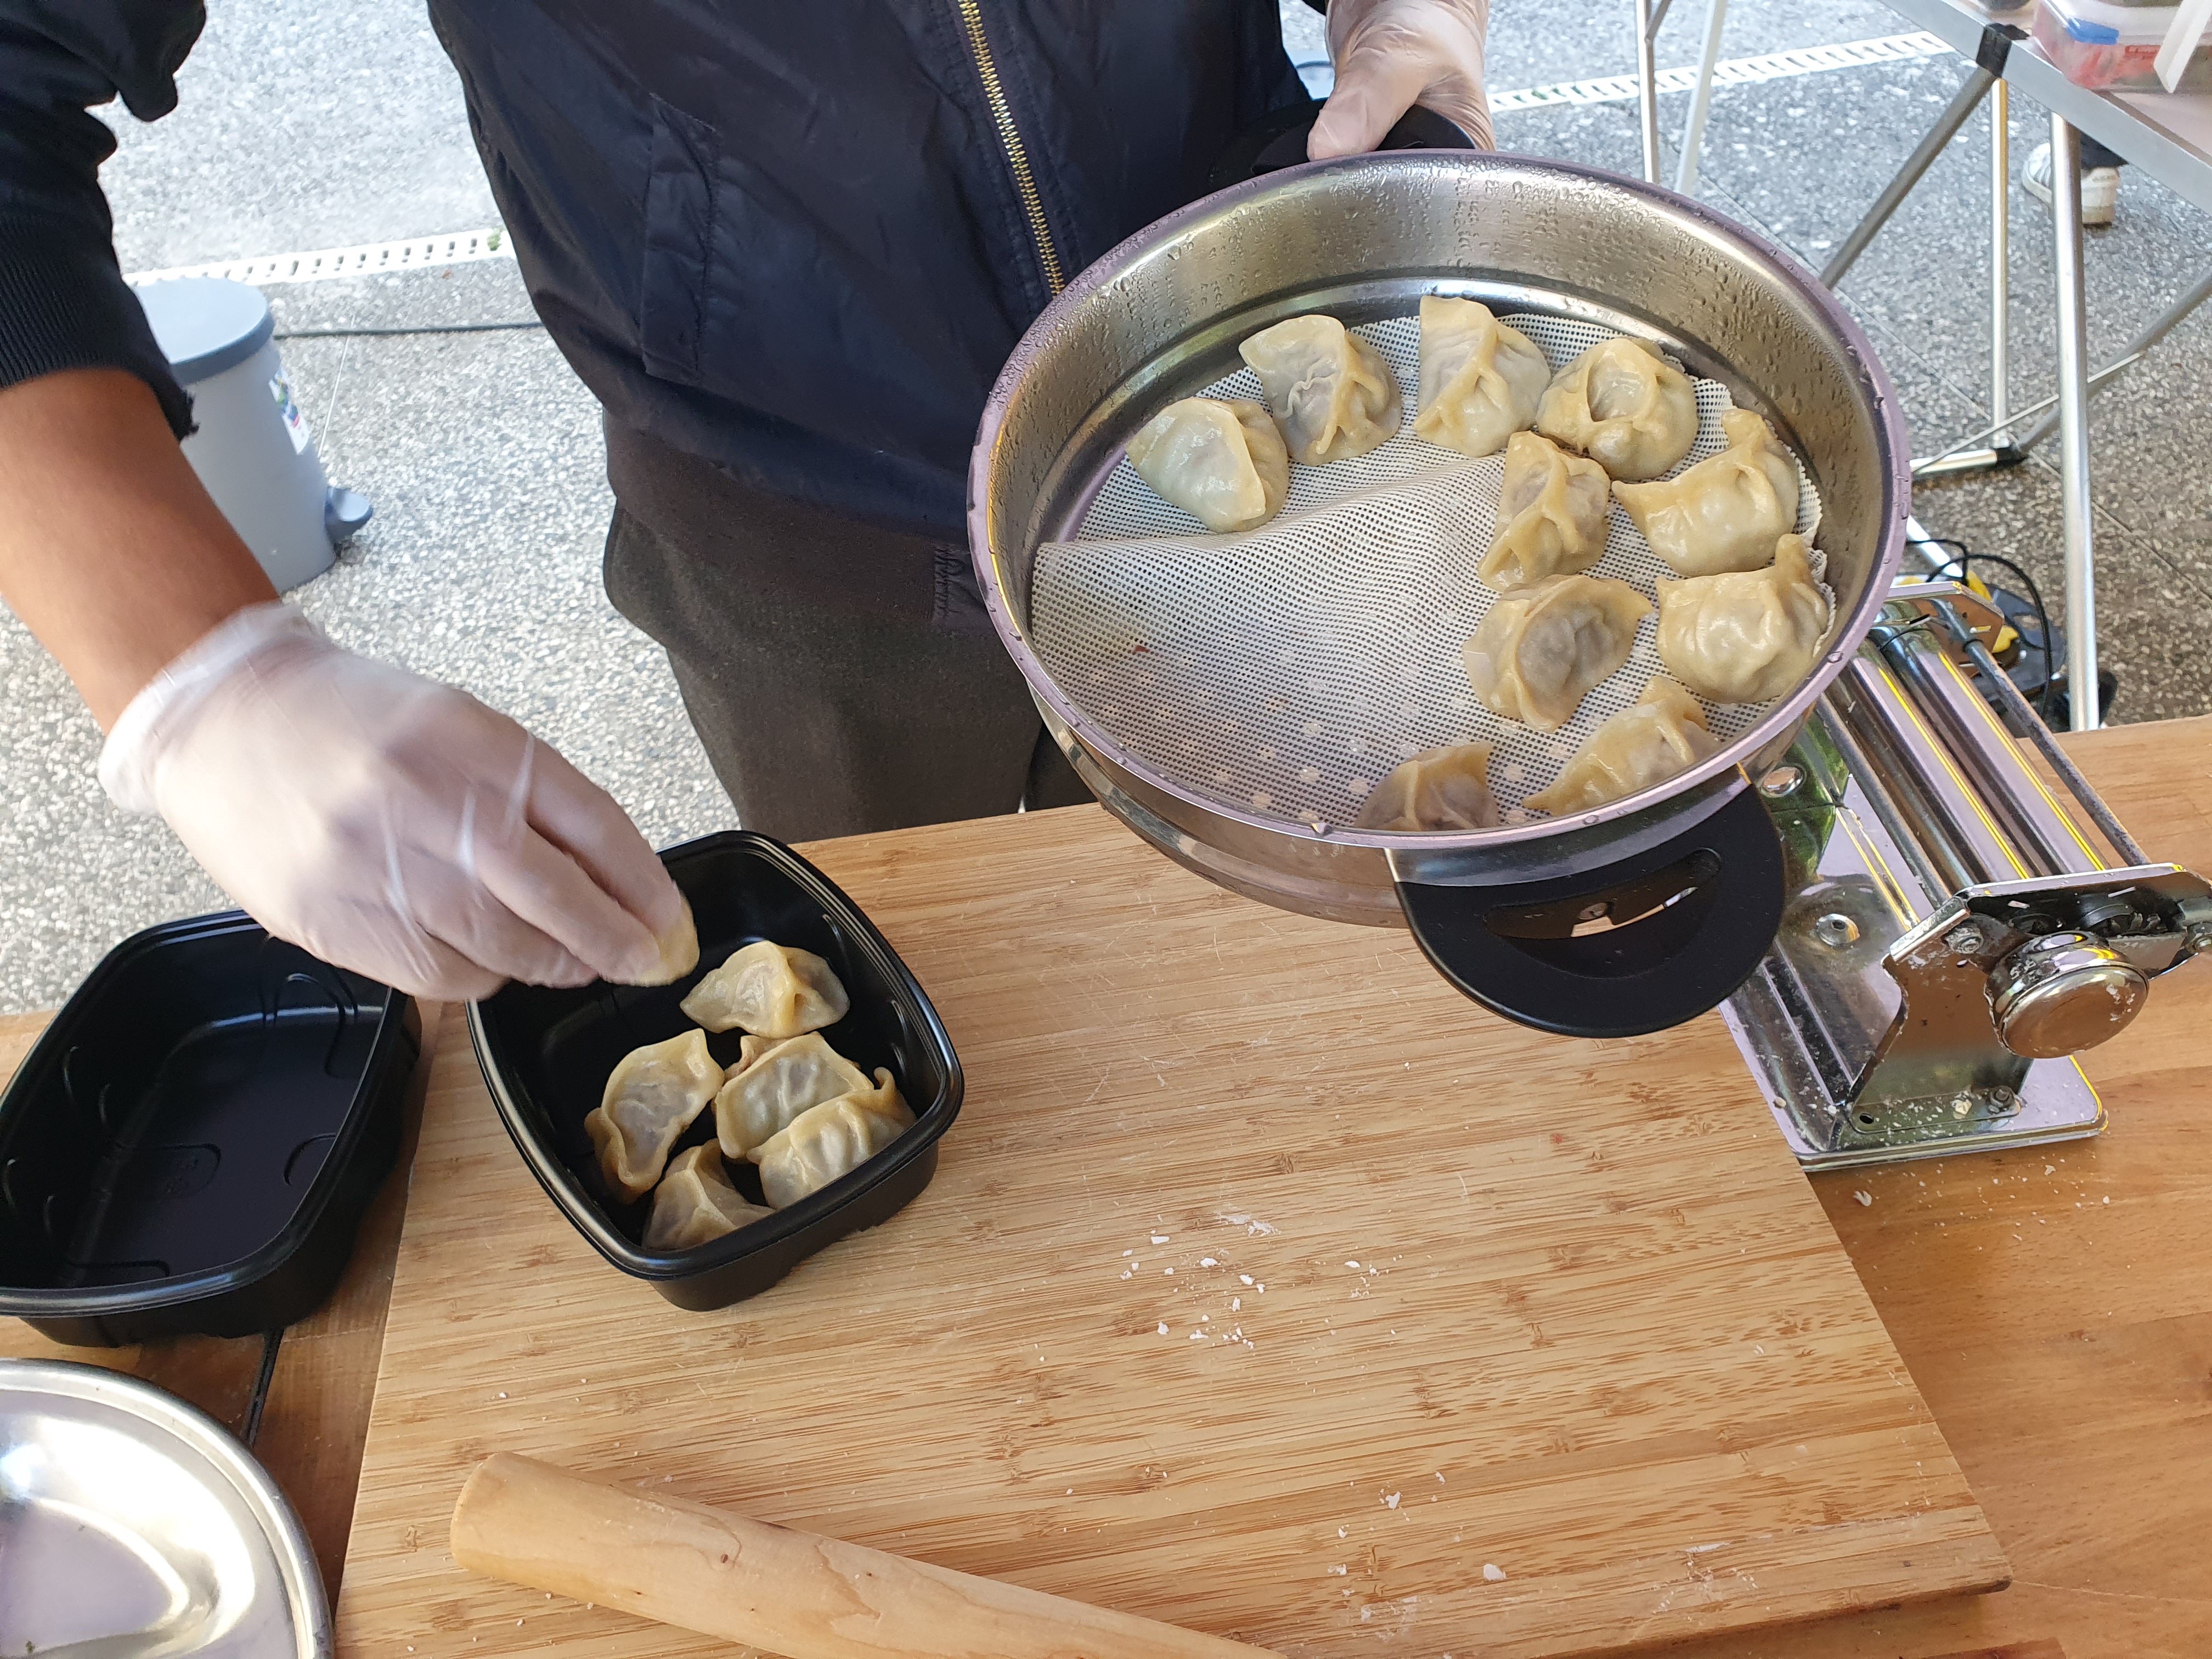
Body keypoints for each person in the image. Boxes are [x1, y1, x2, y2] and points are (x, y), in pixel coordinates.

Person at [0, 0, 1489, 1002]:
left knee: (1337, 983)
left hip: (1272, 384)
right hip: (807, 546)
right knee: (969, 1009)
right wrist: (195, 676)